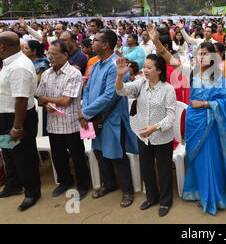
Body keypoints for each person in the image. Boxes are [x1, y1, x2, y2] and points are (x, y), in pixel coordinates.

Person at [150, 27, 226, 216]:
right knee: (197, 159)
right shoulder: (191, 72)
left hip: (212, 125)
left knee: (211, 159)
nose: (201, 57)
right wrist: (156, 41)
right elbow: (169, 57)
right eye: (199, 53)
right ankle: (199, 191)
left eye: (206, 54)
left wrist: (207, 103)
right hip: (194, 122)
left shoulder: (220, 79)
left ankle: (212, 196)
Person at [79, 29, 138, 208]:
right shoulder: (96, 64)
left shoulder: (116, 66)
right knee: (98, 151)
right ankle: (109, 184)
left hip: (111, 119)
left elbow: (109, 96)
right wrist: (86, 111)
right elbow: (87, 90)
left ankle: (127, 190)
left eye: (95, 40)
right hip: (92, 117)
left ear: (105, 44)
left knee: (117, 154)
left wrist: (87, 112)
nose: (92, 43)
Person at [116, 55, 176, 217]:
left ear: (159, 70)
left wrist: (155, 127)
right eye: (144, 66)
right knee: (146, 168)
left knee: (163, 170)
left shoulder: (167, 89)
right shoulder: (141, 83)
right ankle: (151, 197)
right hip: (143, 135)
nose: (145, 70)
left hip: (161, 136)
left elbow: (171, 117)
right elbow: (121, 90)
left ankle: (165, 201)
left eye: (149, 67)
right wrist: (120, 75)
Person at [36, 40, 90, 200]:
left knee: (78, 156)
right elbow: (39, 98)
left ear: (65, 55)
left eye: (54, 54)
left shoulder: (73, 74)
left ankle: (83, 185)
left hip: (71, 123)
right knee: (58, 156)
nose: (50, 58)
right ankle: (65, 182)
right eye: (49, 54)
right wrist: (46, 104)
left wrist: (47, 99)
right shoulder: (46, 73)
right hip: (53, 124)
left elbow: (67, 100)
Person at [0, 31, 41, 211]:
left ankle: (32, 192)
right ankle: (13, 185)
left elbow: (21, 99)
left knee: (24, 157)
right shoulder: (8, 63)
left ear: (2, 47)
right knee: (8, 153)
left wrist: (17, 127)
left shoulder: (19, 67)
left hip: (18, 117)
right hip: (5, 115)